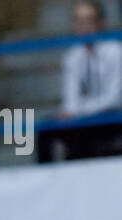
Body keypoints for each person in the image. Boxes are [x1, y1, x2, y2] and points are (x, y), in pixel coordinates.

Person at [39, 0, 122, 162]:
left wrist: (79, 110)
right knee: (47, 130)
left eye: (88, 20)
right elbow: (70, 100)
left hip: (112, 117)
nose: (83, 26)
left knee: (89, 131)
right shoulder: (72, 56)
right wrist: (75, 112)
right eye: (78, 20)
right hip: (86, 118)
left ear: (101, 22)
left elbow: (115, 98)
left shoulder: (116, 51)